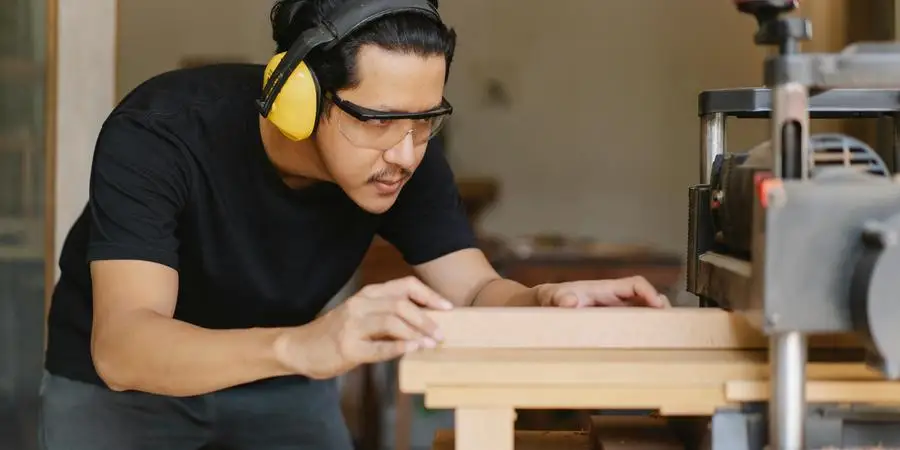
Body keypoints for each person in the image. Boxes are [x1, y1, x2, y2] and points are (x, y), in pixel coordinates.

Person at [38, 0, 670, 449]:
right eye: (378, 120)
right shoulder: (160, 133)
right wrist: (305, 345)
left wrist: (544, 301)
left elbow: (476, 290)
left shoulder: (407, 157)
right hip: (124, 391)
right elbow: (125, 346)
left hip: (286, 380)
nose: (407, 152)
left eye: (427, 120)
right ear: (298, 96)